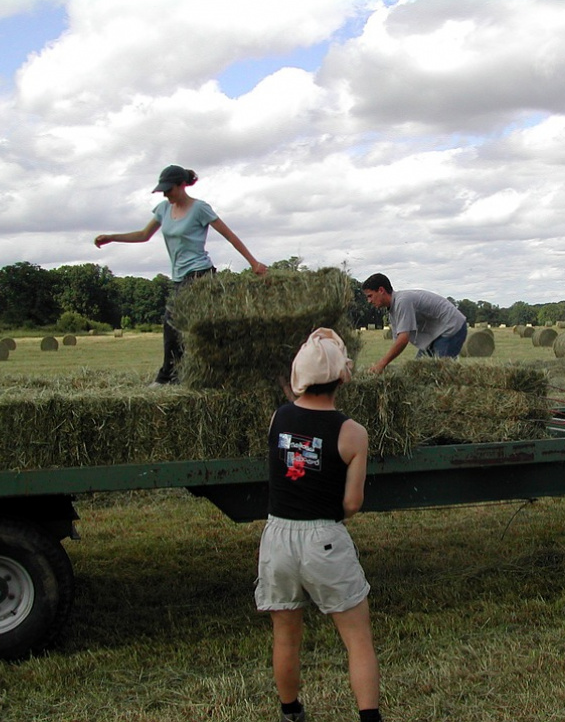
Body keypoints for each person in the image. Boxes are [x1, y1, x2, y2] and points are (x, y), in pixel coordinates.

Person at [255, 328, 383, 722]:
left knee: (286, 637)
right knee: (358, 640)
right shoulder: (353, 433)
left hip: (277, 537)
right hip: (323, 538)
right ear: (341, 378)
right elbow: (352, 503)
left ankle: (291, 713)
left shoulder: (278, 417)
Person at [94, 164, 267, 384]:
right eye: (162, 190)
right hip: (178, 277)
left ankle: (167, 377)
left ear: (182, 185)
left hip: (200, 275)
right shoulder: (163, 209)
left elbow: (229, 236)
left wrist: (254, 263)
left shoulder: (200, 208)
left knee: (171, 321)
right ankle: (193, 373)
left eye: (169, 189)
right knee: (191, 328)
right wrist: (112, 237)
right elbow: (144, 235)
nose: (165, 194)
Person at [360, 273, 467, 373]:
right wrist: (385, 365)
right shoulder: (393, 311)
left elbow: (403, 339)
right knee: (418, 371)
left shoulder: (402, 302)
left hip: (450, 328)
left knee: (438, 374)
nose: (369, 301)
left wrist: (381, 364)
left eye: (370, 296)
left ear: (381, 290)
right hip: (435, 335)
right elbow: (397, 341)